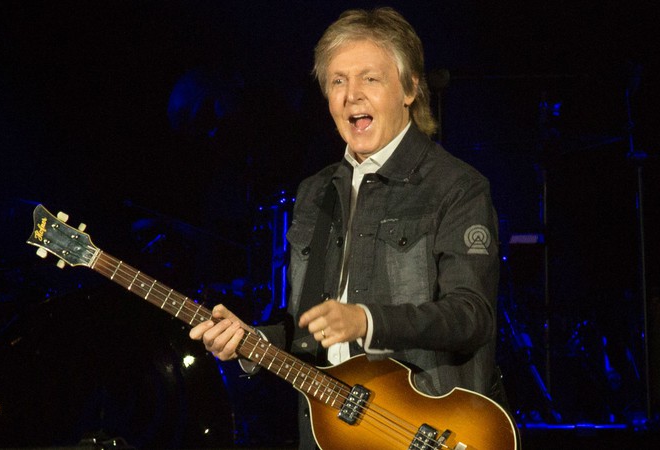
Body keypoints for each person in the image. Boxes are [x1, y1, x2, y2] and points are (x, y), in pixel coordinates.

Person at [190, 7, 508, 449]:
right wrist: (253, 340)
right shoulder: (315, 192)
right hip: (328, 436)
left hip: (426, 431)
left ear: (410, 88)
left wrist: (366, 320)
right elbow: (308, 328)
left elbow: (471, 317)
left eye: (369, 79)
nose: (350, 96)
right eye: (338, 81)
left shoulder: (457, 187)